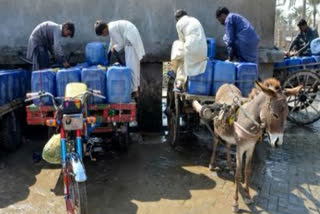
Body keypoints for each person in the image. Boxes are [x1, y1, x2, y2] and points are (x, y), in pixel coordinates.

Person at [94, 20, 145, 99]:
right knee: (135, 64)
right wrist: (109, 52)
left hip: (129, 38)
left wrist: (115, 49)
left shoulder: (111, 29)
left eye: (102, 34)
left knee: (131, 66)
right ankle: (137, 87)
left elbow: (120, 43)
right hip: (131, 36)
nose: (104, 36)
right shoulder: (111, 27)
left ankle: (134, 91)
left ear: (104, 30)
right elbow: (112, 42)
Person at [171, 9, 207, 91]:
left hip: (191, 49)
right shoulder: (195, 20)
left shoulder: (179, 23)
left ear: (177, 19)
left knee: (180, 55)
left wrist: (174, 59)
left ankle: (178, 82)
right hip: (203, 51)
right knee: (185, 58)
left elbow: (182, 41)